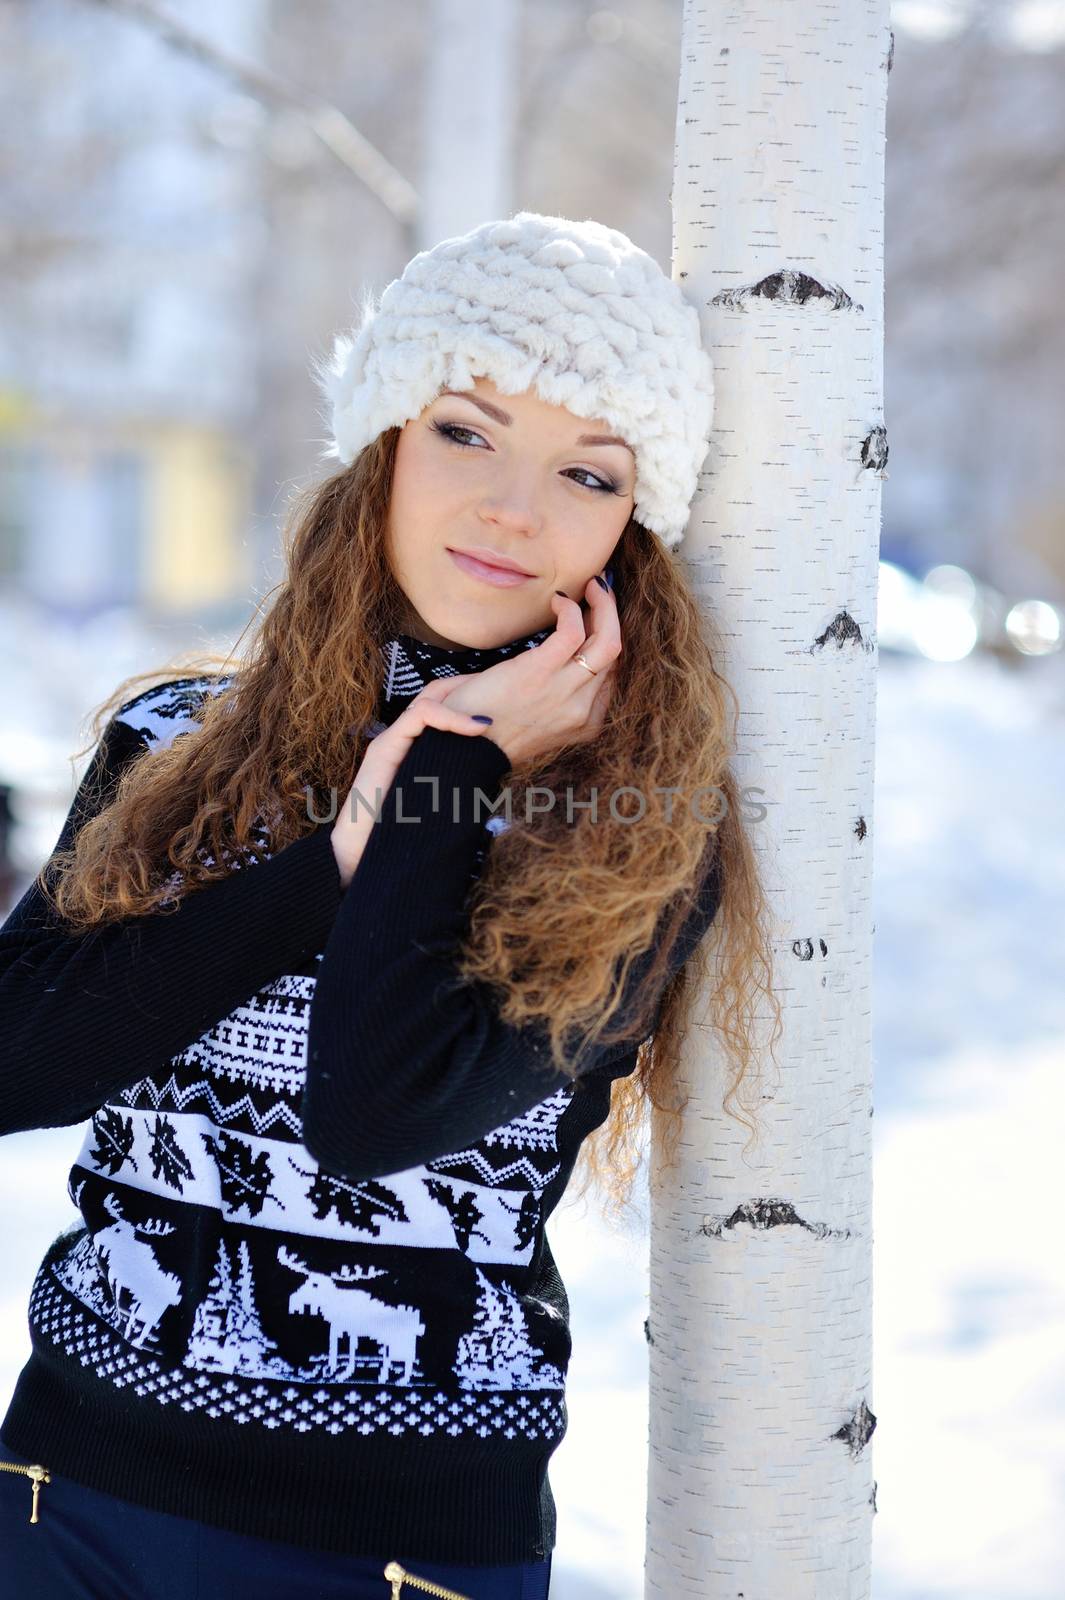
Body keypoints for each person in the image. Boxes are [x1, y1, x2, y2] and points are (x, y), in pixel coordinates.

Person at [0, 212, 775, 1598]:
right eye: (466, 433)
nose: (512, 511)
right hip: (68, 1505)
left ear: (631, 526)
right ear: (381, 447)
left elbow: (379, 1116)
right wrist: (337, 849)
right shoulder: (176, 747)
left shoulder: (632, 826)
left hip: (390, 1554)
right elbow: (14, 1064)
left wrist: (444, 778)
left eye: (586, 473)